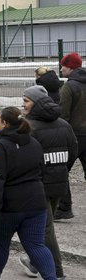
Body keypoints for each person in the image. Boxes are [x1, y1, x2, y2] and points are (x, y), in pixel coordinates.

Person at [0, 107, 64, 280]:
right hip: (36, 203)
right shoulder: (34, 143)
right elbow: (42, 171)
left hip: (9, 206)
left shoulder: (1, 147)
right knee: (36, 245)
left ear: (5, 124)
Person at [18, 86, 76, 280]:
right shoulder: (64, 125)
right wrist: (60, 170)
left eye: (26, 100)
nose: (22, 104)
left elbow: (22, 160)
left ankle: (58, 276)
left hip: (37, 186)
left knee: (45, 229)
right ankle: (36, 261)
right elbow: (73, 152)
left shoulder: (29, 127)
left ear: (37, 102)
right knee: (42, 224)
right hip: (58, 183)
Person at [56, 52, 86, 220]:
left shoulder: (69, 86)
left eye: (63, 67)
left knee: (60, 171)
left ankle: (64, 208)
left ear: (71, 68)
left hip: (74, 136)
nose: (61, 70)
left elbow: (63, 115)